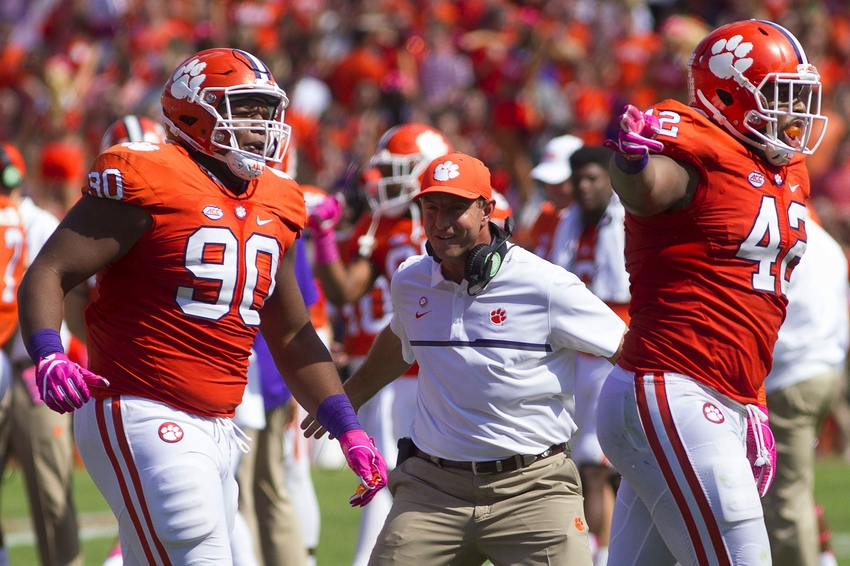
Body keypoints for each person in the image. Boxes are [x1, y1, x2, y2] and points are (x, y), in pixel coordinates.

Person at [16, 48, 388, 565]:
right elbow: (50, 271)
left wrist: (347, 423)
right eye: (246, 108)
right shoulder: (148, 175)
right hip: (141, 407)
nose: (262, 124)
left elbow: (291, 333)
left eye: (266, 110)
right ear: (194, 111)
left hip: (219, 423)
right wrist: (49, 352)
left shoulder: (277, 199)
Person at [304, 151, 627, 566]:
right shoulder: (410, 279)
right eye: (431, 207)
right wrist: (347, 399)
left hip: (533, 487)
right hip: (433, 489)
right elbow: (400, 338)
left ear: (486, 210)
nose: (440, 222)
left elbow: (624, 346)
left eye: (456, 208)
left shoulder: (546, 285)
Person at [597, 19, 828, 565]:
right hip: (672, 385)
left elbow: (754, 304)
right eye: (779, 96)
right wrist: (630, 163)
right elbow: (648, 186)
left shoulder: (789, 168)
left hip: (716, 391)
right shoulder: (691, 143)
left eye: (799, 97)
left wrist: (752, 401)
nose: (794, 113)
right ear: (729, 94)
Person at [308, 123, 453, 566]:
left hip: (444, 366)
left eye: (399, 169)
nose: (384, 180)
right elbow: (345, 289)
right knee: (389, 475)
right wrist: (326, 238)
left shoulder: (464, 216)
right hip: (392, 367)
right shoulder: (383, 222)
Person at [0, 141, 81, 566]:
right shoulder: (37, 220)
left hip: (35, 370)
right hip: (27, 366)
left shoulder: (42, 223)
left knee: (53, 497)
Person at [547, 144, 628, 566]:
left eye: (593, 178)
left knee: (595, 466)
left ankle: (602, 556)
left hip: (612, 351)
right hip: (575, 355)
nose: (584, 187)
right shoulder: (567, 224)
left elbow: (621, 293)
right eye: (577, 179)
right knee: (582, 465)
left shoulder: (627, 221)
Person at [761, 219, 848, 566]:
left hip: (792, 374)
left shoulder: (782, 236)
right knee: (796, 486)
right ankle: (823, 556)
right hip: (825, 369)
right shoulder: (826, 242)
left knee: (785, 497)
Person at [519, 134, 584, 257]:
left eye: (558, 182)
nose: (551, 189)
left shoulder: (597, 222)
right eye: (547, 181)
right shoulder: (544, 216)